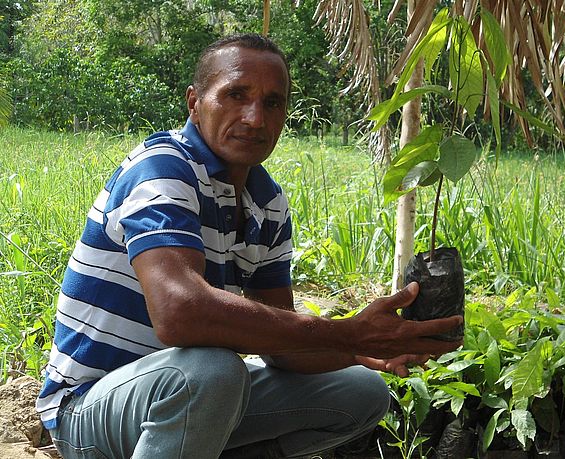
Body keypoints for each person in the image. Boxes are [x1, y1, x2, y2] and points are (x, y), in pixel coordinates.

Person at [36, 33, 463, 459]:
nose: (255, 118)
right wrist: (348, 331)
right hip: (89, 410)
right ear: (194, 103)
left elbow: (281, 346)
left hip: (187, 400)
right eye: (236, 95)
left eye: (272, 103)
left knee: (360, 391)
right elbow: (179, 314)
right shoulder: (162, 169)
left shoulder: (266, 201)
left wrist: (363, 348)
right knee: (211, 371)